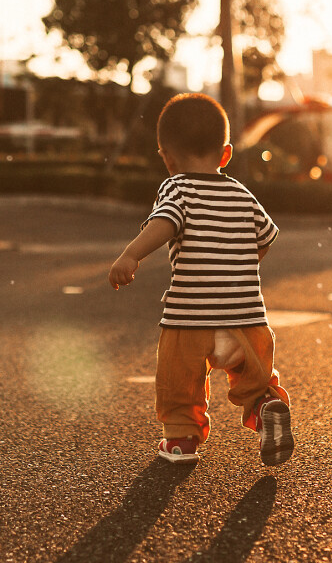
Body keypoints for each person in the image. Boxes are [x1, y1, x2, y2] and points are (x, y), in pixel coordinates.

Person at [109, 93, 294, 466]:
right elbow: (265, 239)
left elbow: (164, 223)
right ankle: (265, 405)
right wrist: (237, 265)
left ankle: (181, 442)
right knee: (253, 375)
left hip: (190, 317)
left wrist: (131, 254)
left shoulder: (176, 188)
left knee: (180, 382)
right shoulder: (242, 194)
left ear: (167, 157)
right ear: (225, 154)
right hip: (246, 319)